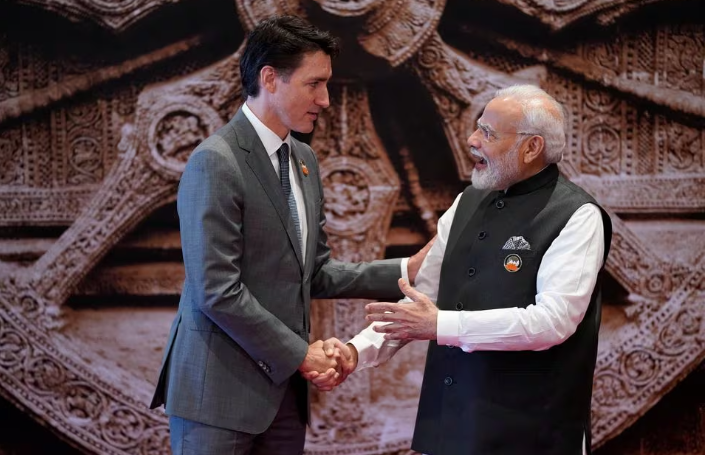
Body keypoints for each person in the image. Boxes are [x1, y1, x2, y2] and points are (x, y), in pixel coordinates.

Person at [149, 15, 429, 455]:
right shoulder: (216, 161)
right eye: (314, 84)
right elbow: (216, 290)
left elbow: (314, 271)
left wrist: (404, 268)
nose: (326, 100)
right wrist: (302, 354)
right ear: (270, 79)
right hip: (218, 397)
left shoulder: (302, 159)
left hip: (283, 397)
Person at [314, 85, 613, 455]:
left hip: (532, 436)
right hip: (450, 430)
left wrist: (440, 325)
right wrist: (356, 353)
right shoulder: (465, 202)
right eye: (477, 128)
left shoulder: (577, 216)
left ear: (532, 148)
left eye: (488, 133)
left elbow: (552, 322)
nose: (472, 140)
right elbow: (421, 304)